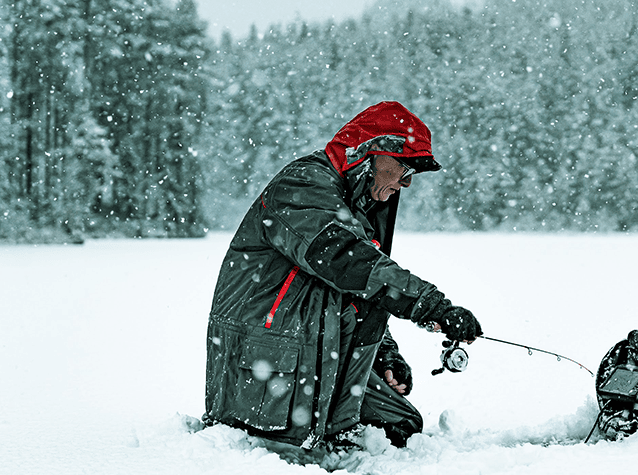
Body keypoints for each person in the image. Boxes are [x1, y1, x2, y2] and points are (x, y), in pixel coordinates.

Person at [203, 101, 483, 450]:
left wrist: (385, 355)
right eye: (405, 168)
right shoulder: (303, 187)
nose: (407, 183)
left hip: (318, 352)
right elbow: (348, 263)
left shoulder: (357, 206)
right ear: (370, 154)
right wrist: (430, 306)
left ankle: (340, 429)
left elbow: (358, 292)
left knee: (402, 427)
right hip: (270, 363)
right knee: (291, 454)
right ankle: (318, 439)